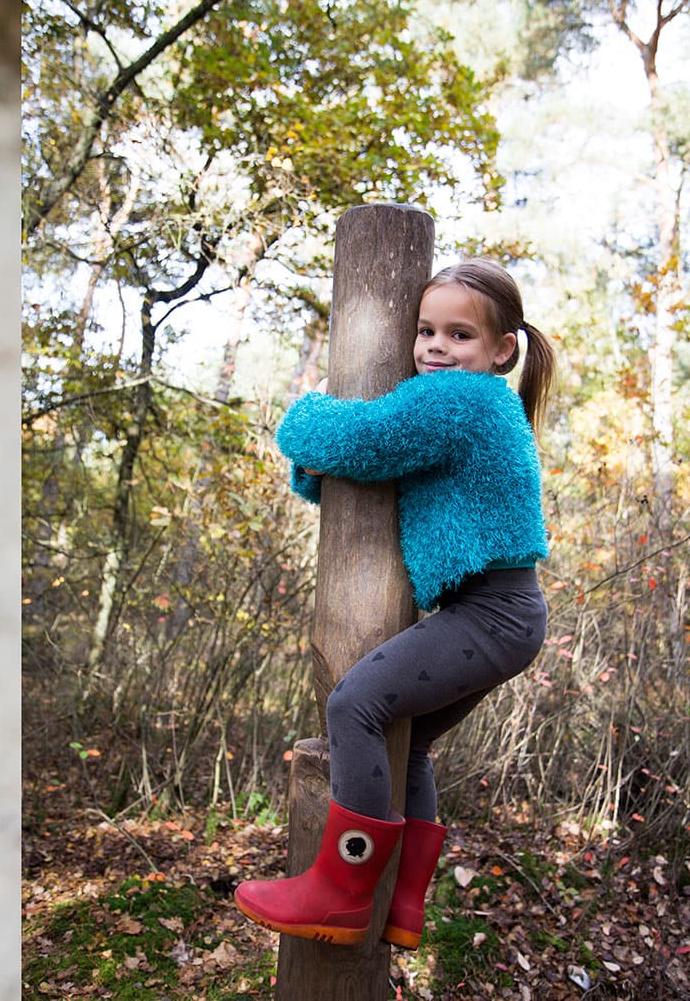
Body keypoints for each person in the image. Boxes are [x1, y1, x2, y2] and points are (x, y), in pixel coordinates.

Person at [234, 258, 553, 949]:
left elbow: (365, 440)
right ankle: (403, 907)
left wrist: (305, 415)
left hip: (489, 614)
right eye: (425, 331)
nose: (437, 347)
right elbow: (372, 476)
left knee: (356, 704)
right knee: (409, 748)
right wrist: (324, 464)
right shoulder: (472, 405)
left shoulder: (459, 400)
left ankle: (342, 893)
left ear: (502, 351)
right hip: (505, 614)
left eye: (460, 335)